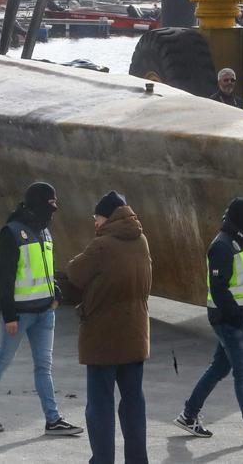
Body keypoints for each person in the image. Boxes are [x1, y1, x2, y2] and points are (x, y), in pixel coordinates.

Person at [0, 182, 82, 436]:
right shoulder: (11, 232)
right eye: (50, 205)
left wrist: (56, 293)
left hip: (46, 312)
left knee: (44, 366)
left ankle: (53, 419)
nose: (53, 211)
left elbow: (46, 268)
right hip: (20, 315)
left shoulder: (45, 232)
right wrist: (10, 314)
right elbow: (6, 277)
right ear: (37, 203)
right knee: (3, 360)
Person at [176, 198, 243, 446]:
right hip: (229, 321)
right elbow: (219, 289)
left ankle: (188, 415)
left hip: (240, 319)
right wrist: (237, 315)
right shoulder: (222, 246)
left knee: (219, 369)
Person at [66, 191, 153, 462]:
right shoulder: (142, 241)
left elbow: (74, 273)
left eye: (97, 217)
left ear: (108, 217)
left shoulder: (102, 246)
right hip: (135, 335)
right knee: (133, 405)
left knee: (100, 407)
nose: (95, 223)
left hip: (103, 339)